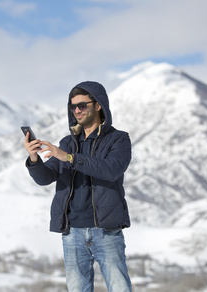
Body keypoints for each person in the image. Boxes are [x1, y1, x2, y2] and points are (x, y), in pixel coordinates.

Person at [23, 81, 132, 291]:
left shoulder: (118, 139)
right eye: (73, 107)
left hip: (106, 230)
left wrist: (70, 158)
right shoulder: (67, 143)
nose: (77, 111)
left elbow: (111, 170)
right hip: (72, 231)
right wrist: (34, 158)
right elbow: (46, 177)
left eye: (82, 105)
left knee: (119, 287)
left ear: (98, 105)